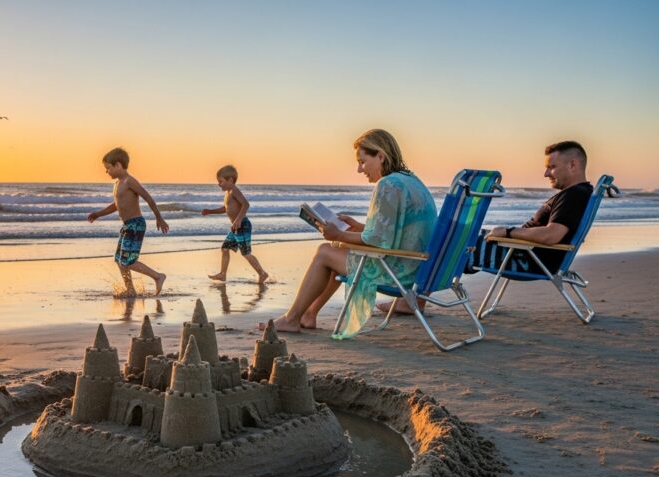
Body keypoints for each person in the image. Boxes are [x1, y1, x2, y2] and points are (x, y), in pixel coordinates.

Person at [268, 129, 437, 336]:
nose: (359, 169)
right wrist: (359, 227)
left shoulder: (388, 184)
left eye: (362, 162)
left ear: (380, 156)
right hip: (417, 266)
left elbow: (379, 240)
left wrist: (339, 235)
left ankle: (291, 319)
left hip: (398, 271)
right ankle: (308, 315)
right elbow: (397, 231)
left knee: (324, 252)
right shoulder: (411, 181)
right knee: (335, 254)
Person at [468, 140, 593, 276]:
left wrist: (508, 232)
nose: (546, 174)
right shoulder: (579, 192)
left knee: (457, 243)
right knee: (465, 234)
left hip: (525, 260)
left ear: (572, 165)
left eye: (552, 167)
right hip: (521, 252)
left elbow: (551, 235)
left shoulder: (574, 195)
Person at [88, 147, 170, 296]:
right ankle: (130, 289)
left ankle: (158, 276)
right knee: (119, 259)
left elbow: (148, 197)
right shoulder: (117, 184)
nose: (107, 172)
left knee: (128, 261)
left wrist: (159, 218)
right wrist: (98, 214)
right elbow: (116, 205)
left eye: (108, 168)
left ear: (118, 165)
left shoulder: (129, 181)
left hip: (136, 225)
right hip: (128, 226)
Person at [201, 164, 269, 284]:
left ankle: (262, 273)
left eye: (221, 181)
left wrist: (238, 219)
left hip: (242, 225)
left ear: (230, 180)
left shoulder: (234, 191)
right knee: (225, 249)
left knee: (246, 253)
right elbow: (225, 208)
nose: (219, 184)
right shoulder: (227, 193)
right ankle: (223, 274)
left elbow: (246, 204)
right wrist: (210, 211)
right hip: (235, 227)